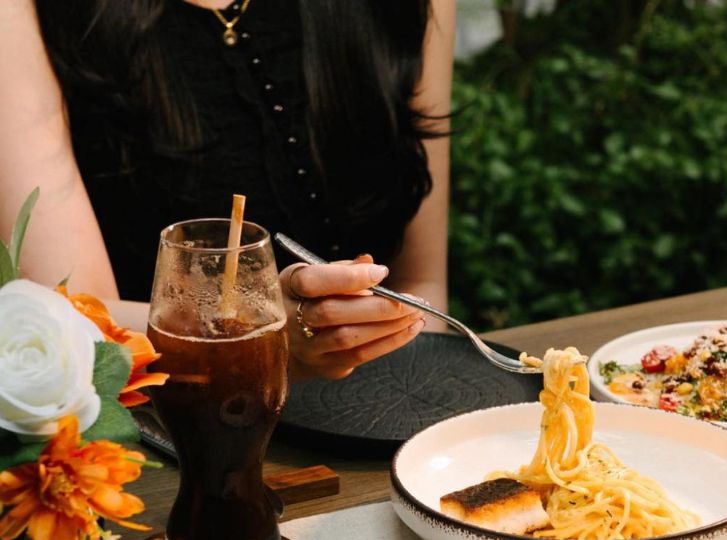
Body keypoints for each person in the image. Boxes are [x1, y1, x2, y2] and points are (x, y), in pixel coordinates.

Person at [0, 0, 454, 380]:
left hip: (396, 423)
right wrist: (256, 337)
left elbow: (422, 289)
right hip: (168, 442)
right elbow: (69, 319)